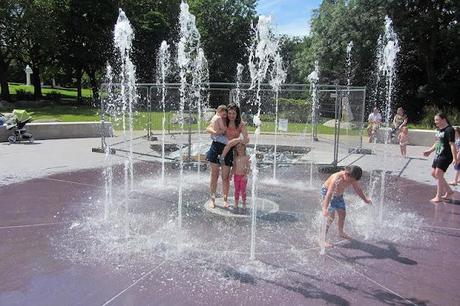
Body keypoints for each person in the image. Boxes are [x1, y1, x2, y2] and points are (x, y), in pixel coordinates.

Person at [206, 103, 249, 208]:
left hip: (229, 150)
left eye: (233, 113)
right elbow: (208, 128)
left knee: (225, 177)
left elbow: (246, 139)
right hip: (216, 147)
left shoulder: (240, 124)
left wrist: (237, 140)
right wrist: (216, 132)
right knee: (214, 176)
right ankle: (212, 199)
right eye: (229, 113)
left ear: (237, 114)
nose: (231, 115)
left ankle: (225, 199)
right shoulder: (223, 119)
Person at [321, 165, 372, 242]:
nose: (351, 183)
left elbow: (358, 189)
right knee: (330, 217)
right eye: (351, 181)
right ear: (346, 174)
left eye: (353, 181)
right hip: (327, 194)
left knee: (342, 214)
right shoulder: (336, 178)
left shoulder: (352, 177)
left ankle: (341, 232)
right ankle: (322, 238)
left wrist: (365, 199)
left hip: (339, 195)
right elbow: (329, 193)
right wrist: (325, 209)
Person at [423, 113, 458, 203]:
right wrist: (429, 151)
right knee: (434, 174)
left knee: (438, 173)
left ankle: (438, 196)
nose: (435, 122)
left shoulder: (449, 130)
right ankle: (449, 191)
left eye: (437, 120)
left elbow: (452, 144)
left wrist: (455, 158)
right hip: (438, 154)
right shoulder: (439, 130)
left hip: (446, 155)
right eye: (435, 120)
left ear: (444, 119)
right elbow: (437, 142)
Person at [231, 143, 250, 210]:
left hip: (243, 176)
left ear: (244, 148)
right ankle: (236, 202)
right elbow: (234, 167)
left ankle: (244, 202)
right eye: (238, 147)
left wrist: (246, 175)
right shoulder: (236, 158)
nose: (240, 148)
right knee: (236, 190)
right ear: (236, 149)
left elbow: (248, 167)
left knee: (243, 190)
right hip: (236, 176)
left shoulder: (247, 157)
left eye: (241, 147)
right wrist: (231, 174)